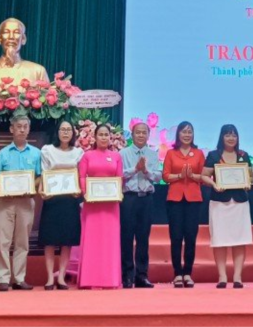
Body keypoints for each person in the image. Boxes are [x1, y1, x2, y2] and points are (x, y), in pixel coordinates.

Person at [0, 112, 42, 291]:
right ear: (11, 129)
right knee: (3, 240)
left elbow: (40, 176)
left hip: (26, 202)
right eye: (18, 126)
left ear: (29, 130)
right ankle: (2, 278)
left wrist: (31, 187)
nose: (22, 130)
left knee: (22, 242)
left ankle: (19, 279)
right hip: (6, 201)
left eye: (25, 127)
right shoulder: (3, 153)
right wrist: (6, 187)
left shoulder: (36, 153)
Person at [202, 123, 253, 288]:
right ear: (222, 137)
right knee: (220, 239)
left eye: (234, 135)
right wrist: (214, 184)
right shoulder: (213, 155)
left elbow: (250, 176)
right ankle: (222, 276)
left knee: (240, 239)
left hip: (240, 202)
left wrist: (249, 183)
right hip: (219, 202)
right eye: (227, 135)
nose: (231, 138)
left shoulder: (243, 155)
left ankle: (237, 277)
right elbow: (204, 175)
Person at [76, 123, 124, 289]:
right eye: (100, 134)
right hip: (92, 204)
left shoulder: (116, 156)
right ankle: (89, 279)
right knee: (92, 242)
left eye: (106, 134)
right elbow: (82, 177)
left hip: (111, 206)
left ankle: (110, 280)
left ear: (110, 137)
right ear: (95, 137)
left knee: (110, 242)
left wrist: (118, 193)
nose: (104, 137)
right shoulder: (87, 156)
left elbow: (119, 178)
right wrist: (86, 193)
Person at [40, 119, 84, 289]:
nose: (65, 132)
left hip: (70, 200)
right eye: (62, 129)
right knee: (50, 240)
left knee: (67, 240)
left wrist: (79, 190)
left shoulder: (78, 152)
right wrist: (42, 189)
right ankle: (49, 278)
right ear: (57, 132)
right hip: (52, 199)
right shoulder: (47, 150)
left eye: (68, 130)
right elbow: (44, 172)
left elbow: (80, 175)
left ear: (73, 133)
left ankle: (61, 277)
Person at [120, 121, 162, 288]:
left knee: (143, 238)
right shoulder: (123, 153)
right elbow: (119, 174)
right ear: (132, 134)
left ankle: (142, 276)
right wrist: (135, 169)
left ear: (149, 135)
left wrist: (145, 171)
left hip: (146, 199)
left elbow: (158, 176)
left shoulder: (153, 154)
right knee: (126, 238)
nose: (141, 135)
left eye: (144, 132)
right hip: (129, 198)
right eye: (138, 132)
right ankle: (127, 276)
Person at [163, 121, 204, 288]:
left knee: (191, 237)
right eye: (184, 131)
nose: (187, 135)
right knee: (176, 237)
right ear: (178, 134)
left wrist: (192, 176)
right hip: (175, 199)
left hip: (193, 199)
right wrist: (180, 176)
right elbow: (165, 176)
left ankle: (188, 273)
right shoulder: (171, 153)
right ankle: (177, 273)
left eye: (189, 132)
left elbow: (203, 176)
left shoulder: (199, 153)